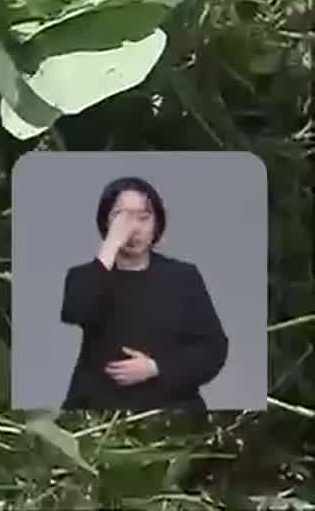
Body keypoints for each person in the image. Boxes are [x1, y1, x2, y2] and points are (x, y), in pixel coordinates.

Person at [59, 175, 228, 412]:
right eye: (121, 217)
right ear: (105, 222)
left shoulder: (183, 276)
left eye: (143, 217)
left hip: (170, 412)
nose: (133, 228)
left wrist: (155, 367)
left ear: (157, 223)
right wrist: (111, 244)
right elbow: (76, 310)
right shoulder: (83, 276)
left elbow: (213, 349)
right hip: (98, 412)